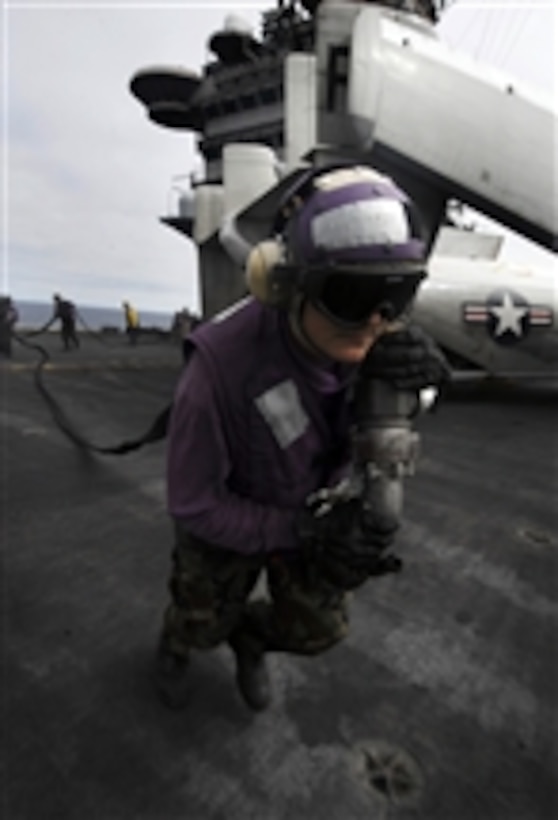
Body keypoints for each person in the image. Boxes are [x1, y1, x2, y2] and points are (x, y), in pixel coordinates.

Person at [156, 164, 450, 712]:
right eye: (350, 295)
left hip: (314, 508)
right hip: (234, 515)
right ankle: (177, 644)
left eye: (397, 294)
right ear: (282, 281)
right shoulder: (218, 369)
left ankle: (253, 639)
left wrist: (426, 388)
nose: (375, 321)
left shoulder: (380, 336)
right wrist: (295, 529)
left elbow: (372, 433)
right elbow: (192, 503)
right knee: (201, 621)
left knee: (318, 629)